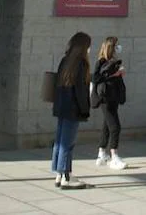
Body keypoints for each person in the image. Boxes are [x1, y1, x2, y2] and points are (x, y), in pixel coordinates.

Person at [51, 32, 92, 190]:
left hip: (62, 107)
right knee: (67, 143)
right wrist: (85, 109)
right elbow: (81, 91)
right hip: (73, 108)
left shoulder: (65, 61)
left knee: (60, 140)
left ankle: (59, 173)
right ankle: (65, 176)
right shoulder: (81, 64)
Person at [92, 36, 128, 170]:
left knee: (107, 125)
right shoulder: (101, 61)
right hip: (105, 98)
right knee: (115, 127)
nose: (119, 47)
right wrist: (115, 74)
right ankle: (114, 156)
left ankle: (102, 154)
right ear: (111, 47)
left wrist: (119, 73)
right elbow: (96, 77)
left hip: (114, 97)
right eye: (116, 45)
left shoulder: (114, 61)